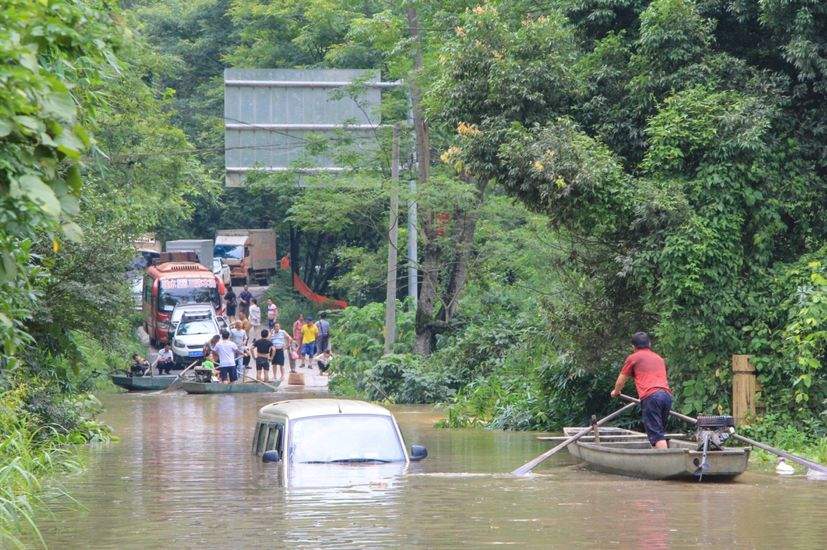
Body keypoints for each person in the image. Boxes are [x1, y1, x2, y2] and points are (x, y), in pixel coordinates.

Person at [611, 332, 672, 449]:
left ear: (633, 347)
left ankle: (663, 463)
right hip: (666, 396)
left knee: (657, 436)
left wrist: (616, 392)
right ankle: (658, 458)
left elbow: (621, 380)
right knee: (659, 432)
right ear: (649, 344)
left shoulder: (634, 357)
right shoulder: (659, 358)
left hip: (651, 397)